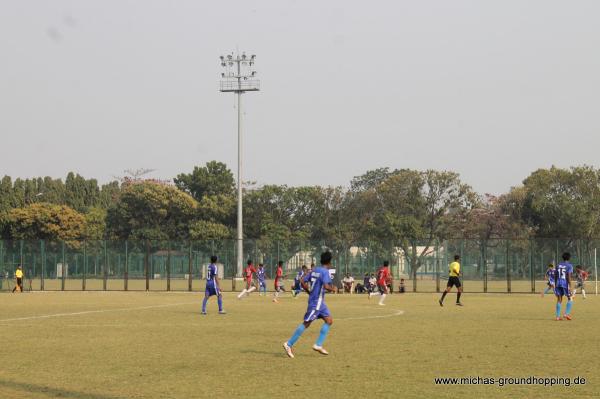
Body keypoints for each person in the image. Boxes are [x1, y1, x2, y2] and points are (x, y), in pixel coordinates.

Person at [283, 251, 336, 358]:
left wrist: (309, 292)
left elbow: (302, 281)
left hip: (320, 303)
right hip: (316, 303)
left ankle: (318, 344)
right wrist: (333, 289)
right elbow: (326, 286)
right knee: (306, 323)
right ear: (329, 261)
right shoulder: (325, 272)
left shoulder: (315, 270)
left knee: (329, 320)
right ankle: (288, 344)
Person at [554, 252, 574, 320]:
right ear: (569, 258)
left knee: (559, 299)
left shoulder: (558, 265)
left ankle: (557, 316)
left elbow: (555, 275)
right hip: (565, 283)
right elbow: (568, 276)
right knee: (570, 298)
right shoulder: (569, 266)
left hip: (558, 283)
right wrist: (570, 286)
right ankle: (566, 314)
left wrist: (556, 284)